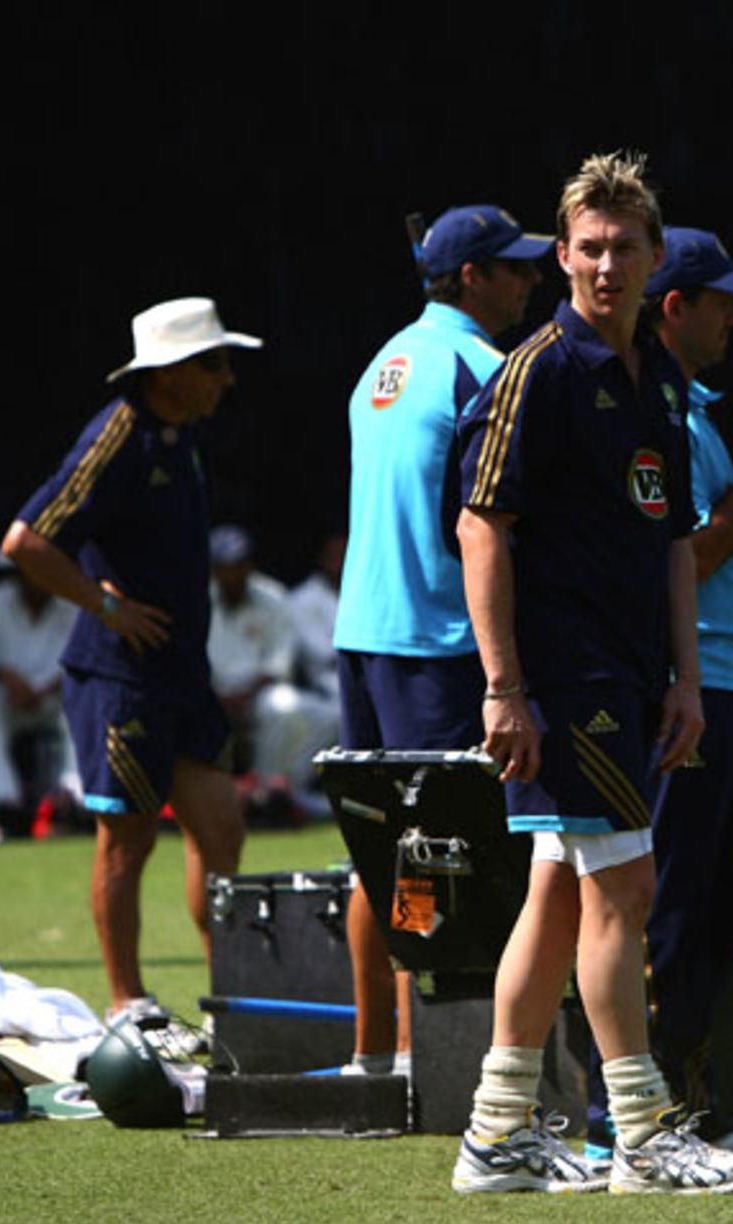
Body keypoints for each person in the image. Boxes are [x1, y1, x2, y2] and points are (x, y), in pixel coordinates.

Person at [451, 153, 733, 1195]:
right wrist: (504, 689)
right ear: (560, 256)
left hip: (635, 677)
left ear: (649, 258)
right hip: (566, 676)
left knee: (556, 897)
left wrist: (684, 679)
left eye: (621, 248)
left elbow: (673, 541)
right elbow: (478, 526)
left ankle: (495, 1139)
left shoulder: (660, 378)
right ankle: (639, 1136)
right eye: (585, 248)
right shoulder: (538, 371)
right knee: (625, 892)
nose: (602, 264)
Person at [584, 226, 733, 1165]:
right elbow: (678, 558)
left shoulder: (696, 410)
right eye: (721, 301)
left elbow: (732, 562)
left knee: (712, 910)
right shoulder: (658, 413)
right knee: (667, 905)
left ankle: (697, 1108)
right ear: (674, 307)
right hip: (689, 683)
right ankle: (633, 1114)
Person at [333, 205, 552, 1077]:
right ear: (472, 277)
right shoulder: (486, 369)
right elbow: (491, 524)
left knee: (379, 847)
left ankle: (375, 1061)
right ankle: (448, 1069)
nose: (533, 280)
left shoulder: (381, 363)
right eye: (516, 267)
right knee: (460, 852)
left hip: (364, 632)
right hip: (442, 638)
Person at [1, 296, 254, 1029]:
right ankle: (127, 1003)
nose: (227, 378)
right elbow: (27, 541)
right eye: (213, 363)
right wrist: (107, 608)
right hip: (122, 680)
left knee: (224, 831)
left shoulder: (183, 438)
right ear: (168, 373)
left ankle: (227, 1000)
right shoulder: (116, 439)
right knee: (130, 838)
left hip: (181, 675)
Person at [207, 523, 338, 806]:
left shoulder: (273, 596)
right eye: (226, 566)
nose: (234, 574)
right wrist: (216, 693)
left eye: (240, 565)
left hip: (256, 693)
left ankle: (271, 788)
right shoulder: (199, 600)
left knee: (288, 705)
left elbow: (279, 662)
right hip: (209, 693)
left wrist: (246, 694)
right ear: (215, 569)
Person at [0, 554, 79, 835]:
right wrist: (11, 680)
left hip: (56, 702)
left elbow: (86, 662)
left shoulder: (73, 604)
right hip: (10, 704)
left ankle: (75, 798)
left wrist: (47, 688)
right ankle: (1, 801)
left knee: (86, 699)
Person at [288, 530, 346, 700]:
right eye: (333, 556)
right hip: (323, 683)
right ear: (321, 559)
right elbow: (321, 654)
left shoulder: (364, 594)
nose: (339, 563)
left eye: (343, 555)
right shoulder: (302, 598)